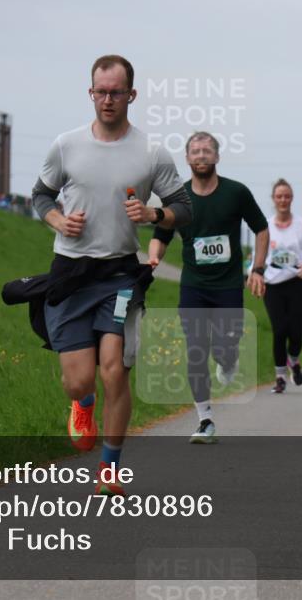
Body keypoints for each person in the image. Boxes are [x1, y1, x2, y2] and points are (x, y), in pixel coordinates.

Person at [31, 54, 192, 495]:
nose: (107, 99)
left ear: (131, 95)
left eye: (116, 92)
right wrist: (58, 221)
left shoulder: (150, 152)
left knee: (114, 370)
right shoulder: (66, 145)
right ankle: (82, 403)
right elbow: (41, 195)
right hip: (71, 271)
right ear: (90, 93)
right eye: (100, 92)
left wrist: (153, 212)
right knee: (80, 379)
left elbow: (184, 206)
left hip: (120, 274)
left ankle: (109, 469)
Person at [148, 131, 270, 444]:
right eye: (195, 151)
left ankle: (228, 358)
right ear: (187, 159)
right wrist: (151, 262)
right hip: (194, 287)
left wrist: (256, 268)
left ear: (216, 157)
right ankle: (205, 419)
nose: (201, 156)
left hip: (228, 286)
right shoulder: (177, 200)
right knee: (196, 351)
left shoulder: (236, 193)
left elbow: (261, 229)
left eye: (207, 151)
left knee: (223, 348)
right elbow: (160, 237)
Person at [262, 179, 302, 394]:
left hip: (297, 283)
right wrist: (253, 273)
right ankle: (280, 377)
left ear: (291, 198)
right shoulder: (264, 226)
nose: (283, 200)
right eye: (279, 196)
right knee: (279, 330)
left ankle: (293, 359)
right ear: (273, 199)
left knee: (296, 332)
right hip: (273, 284)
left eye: (286, 196)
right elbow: (258, 256)